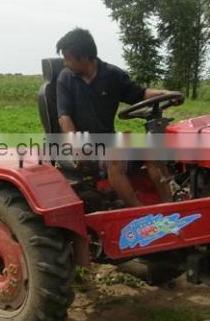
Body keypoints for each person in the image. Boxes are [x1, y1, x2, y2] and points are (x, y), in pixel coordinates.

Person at [56, 28, 173, 207]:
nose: (65, 63)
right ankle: (139, 212)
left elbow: (140, 93)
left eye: (68, 58)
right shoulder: (66, 78)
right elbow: (64, 118)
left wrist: (165, 93)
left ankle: (171, 206)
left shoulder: (111, 75)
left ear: (85, 56)